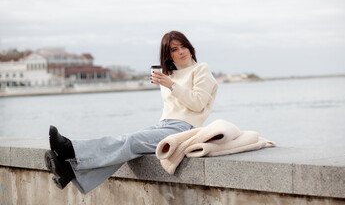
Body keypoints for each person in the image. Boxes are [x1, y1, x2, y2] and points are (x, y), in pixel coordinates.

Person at [44, 30, 218, 194]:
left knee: (131, 141)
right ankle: (70, 172)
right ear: (168, 55)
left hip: (185, 129)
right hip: (164, 125)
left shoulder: (200, 69)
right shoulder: (169, 76)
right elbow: (171, 108)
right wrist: (168, 82)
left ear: (190, 47)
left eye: (183, 46)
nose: (181, 51)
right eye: (174, 49)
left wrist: (171, 85)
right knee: (130, 144)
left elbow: (198, 103)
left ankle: (71, 150)